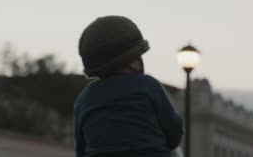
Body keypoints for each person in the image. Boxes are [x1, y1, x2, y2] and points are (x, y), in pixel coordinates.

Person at [74, 15, 184, 157]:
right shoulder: (147, 85)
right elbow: (174, 134)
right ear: (134, 62)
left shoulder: (84, 99)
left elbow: (81, 150)